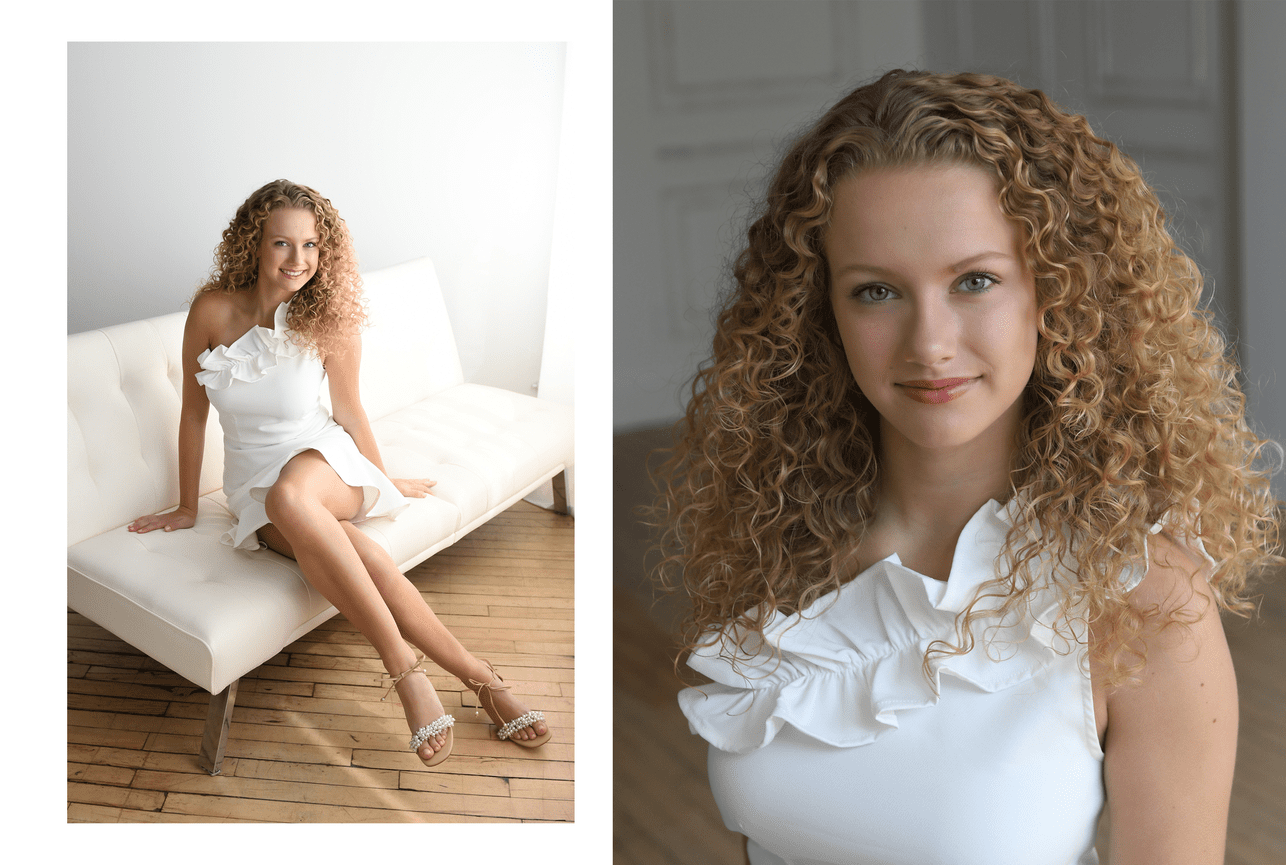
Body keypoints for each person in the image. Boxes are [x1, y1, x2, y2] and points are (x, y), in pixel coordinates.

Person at [652, 71, 1279, 864]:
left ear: (1056, 291)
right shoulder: (782, 537)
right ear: (822, 312)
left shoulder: (1142, 600)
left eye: (975, 281)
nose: (930, 343)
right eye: (876, 291)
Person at [129, 179, 550, 768]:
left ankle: (404, 672)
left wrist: (385, 481)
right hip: (254, 488)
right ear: (254, 243)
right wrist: (187, 506)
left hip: (328, 464)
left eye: (311, 245)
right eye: (282, 243)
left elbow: (349, 411)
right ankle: (482, 678)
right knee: (353, 550)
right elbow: (193, 415)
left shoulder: (327, 318)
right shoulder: (211, 312)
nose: (297, 259)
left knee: (292, 497)